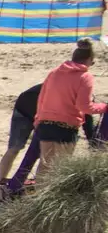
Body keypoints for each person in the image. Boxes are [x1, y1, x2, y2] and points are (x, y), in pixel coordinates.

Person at [34, 39, 104, 177]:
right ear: (89, 59)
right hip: (66, 125)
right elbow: (84, 106)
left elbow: (42, 98)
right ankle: (52, 197)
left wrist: (38, 120)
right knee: (61, 168)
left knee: (44, 165)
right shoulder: (85, 76)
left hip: (46, 122)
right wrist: (103, 107)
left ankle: (39, 196)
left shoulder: (54, 72)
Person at [0, 81, 44, 196]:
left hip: (43, 114)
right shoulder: (58, 84)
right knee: (14, 148)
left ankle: (35, 190)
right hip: (24, 110)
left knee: (41, 153)